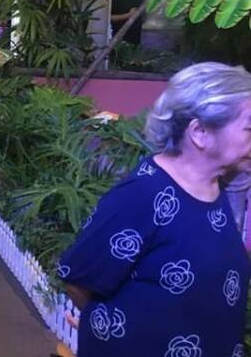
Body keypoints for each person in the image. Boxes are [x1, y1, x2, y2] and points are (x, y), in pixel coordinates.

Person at [58, 62, 251, 357]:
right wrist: (112, 329)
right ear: (200, 132)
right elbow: (80, 280)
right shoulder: (141, 196)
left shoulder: (219, 188)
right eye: (249, 128)